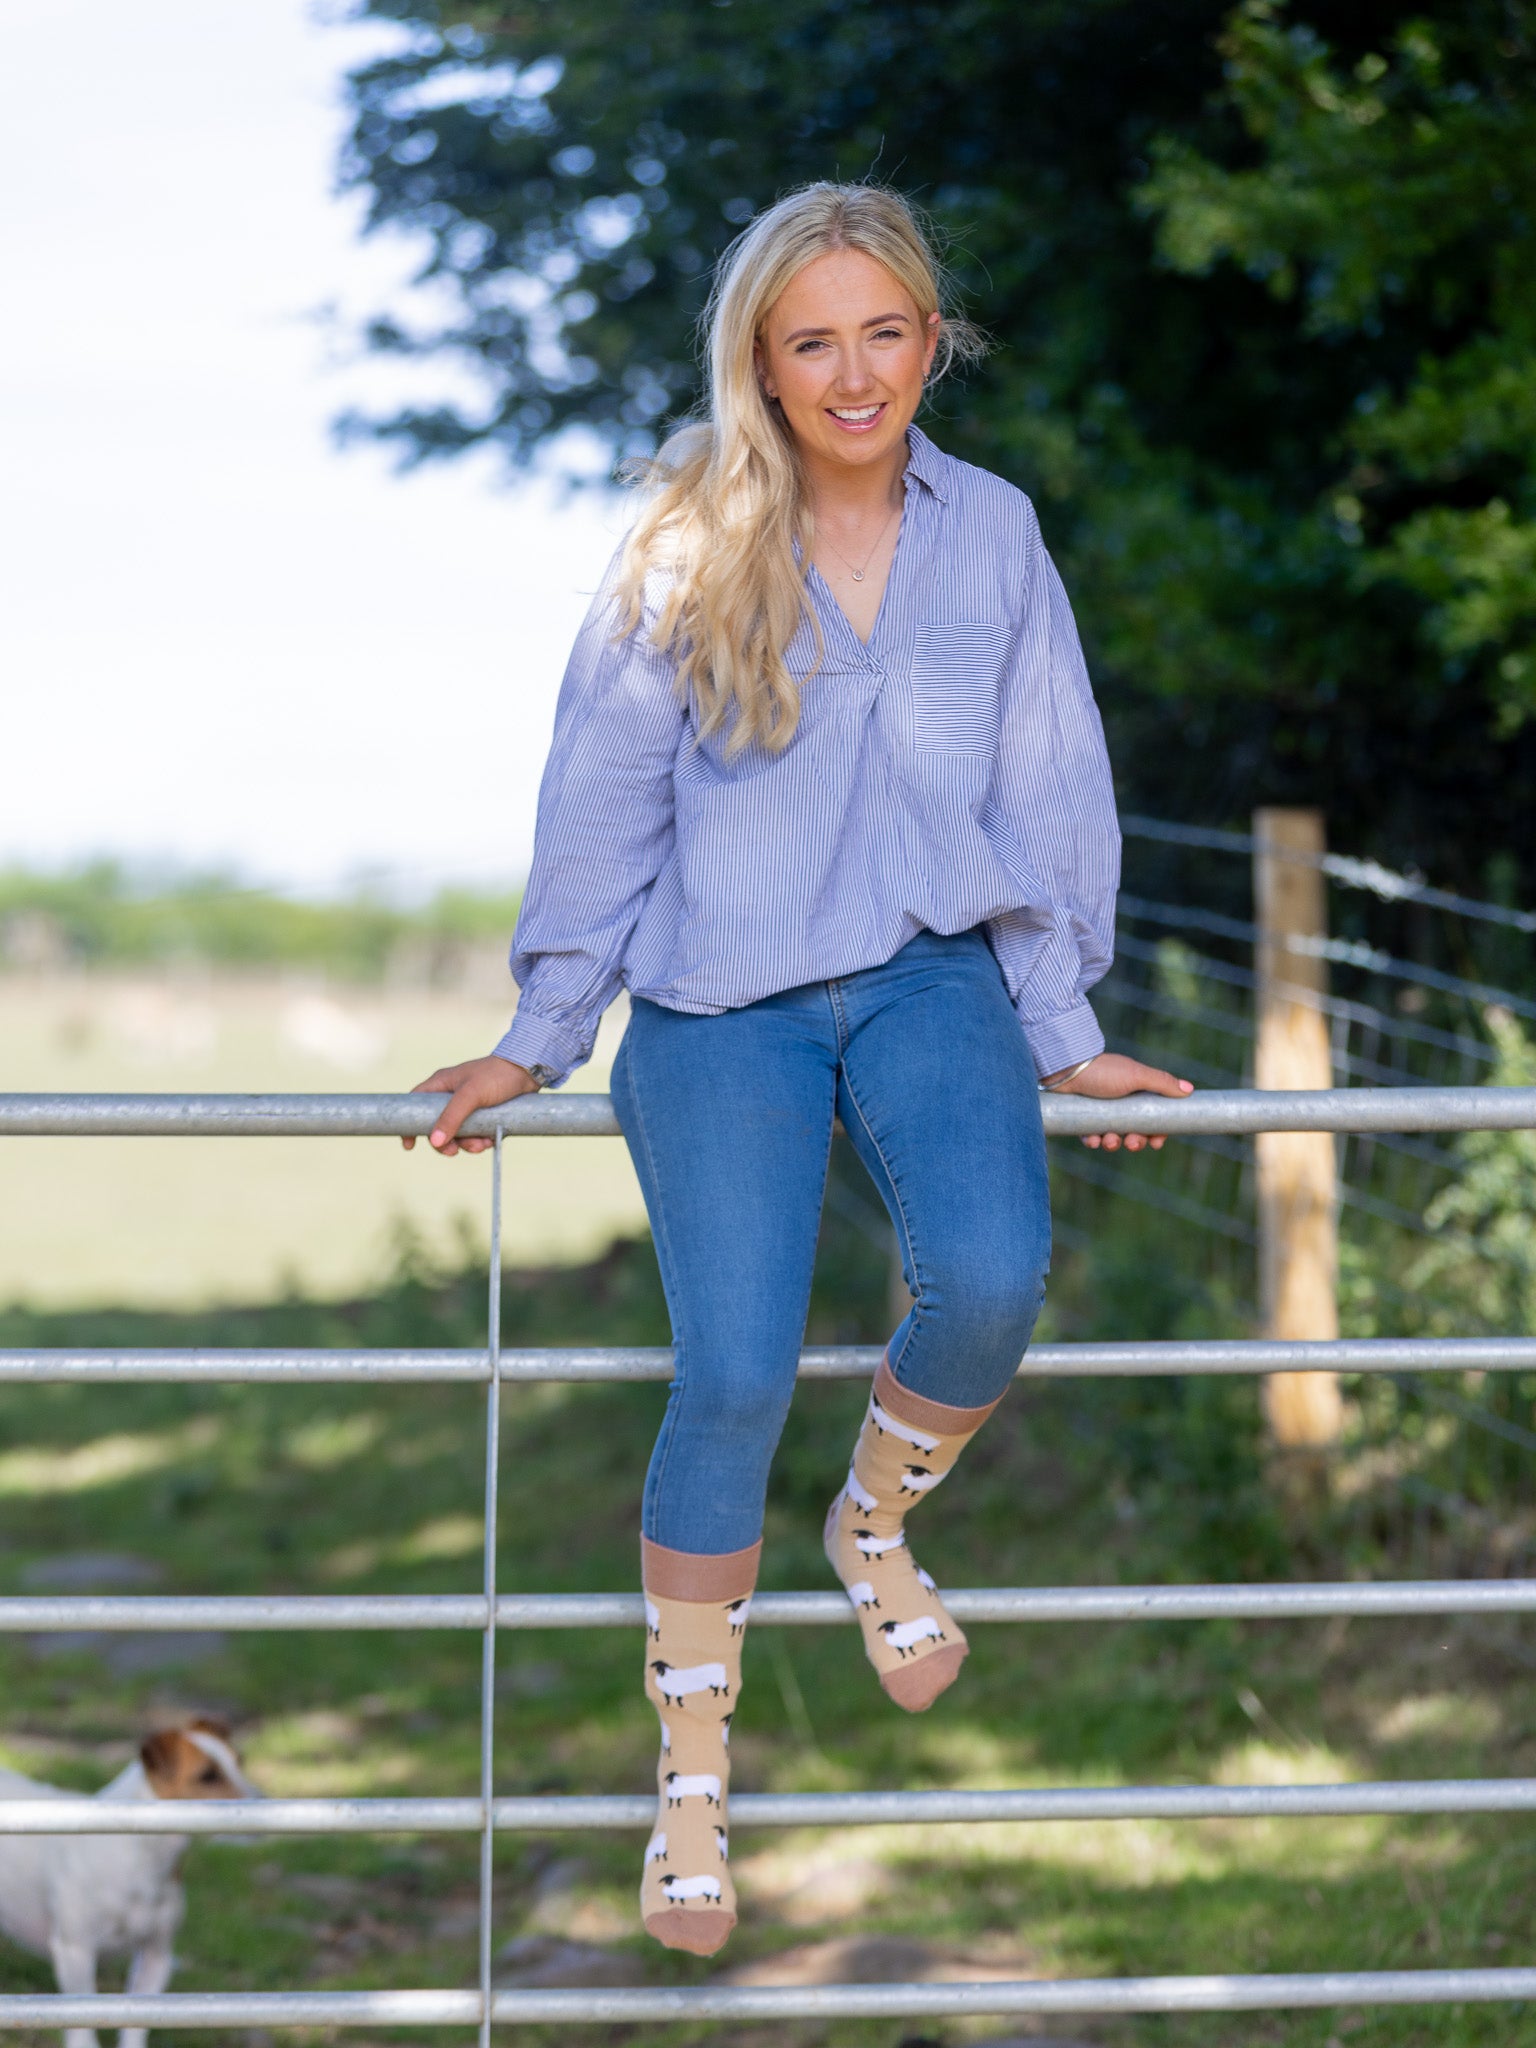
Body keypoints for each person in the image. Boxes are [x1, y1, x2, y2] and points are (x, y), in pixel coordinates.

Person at [406, 181, 1192, 1957]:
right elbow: (603, 797)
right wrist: (542, 1032)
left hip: (931, 974)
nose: (854, 375)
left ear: (934, 340)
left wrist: (1064, 1031)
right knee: (736, 1367)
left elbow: (1049, 781)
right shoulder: (685, 540)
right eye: (812, 341)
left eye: (885, 332)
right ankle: (693, 1781)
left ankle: (873, 1526)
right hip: (716, 1002)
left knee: (991, 1276)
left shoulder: (994, 533)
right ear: (759, 360)